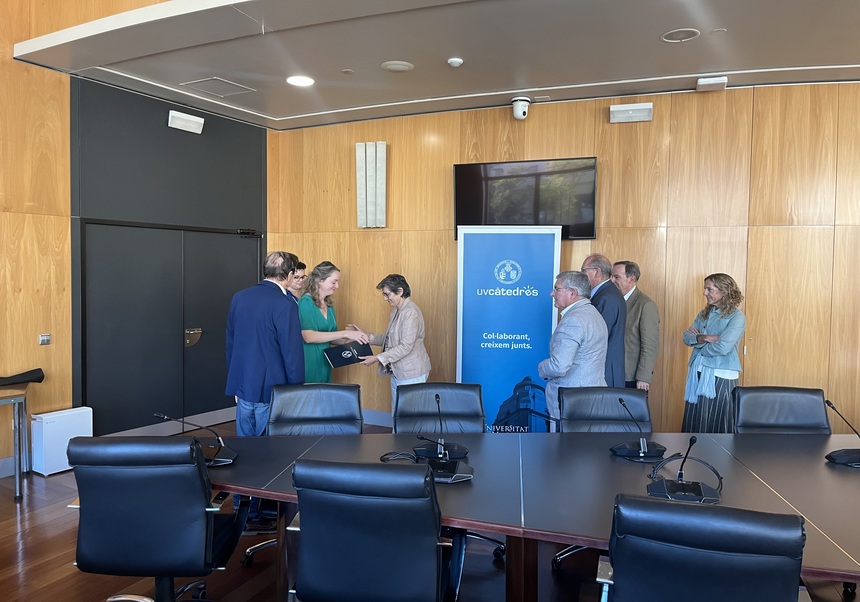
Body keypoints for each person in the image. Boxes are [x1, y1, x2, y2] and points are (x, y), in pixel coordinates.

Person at [225, 251, 305, 529]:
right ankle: (258, 511)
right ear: (290, 274)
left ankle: (242, 508)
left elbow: (231, 342)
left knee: (243, 449)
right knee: (267, 453)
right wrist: (296, 391)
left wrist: (236, 381)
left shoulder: (240, 297)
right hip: (272, 389)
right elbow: (292, 353)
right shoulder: (285, 303)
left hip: (243, 386)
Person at [354, 274, 431, 412]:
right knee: (398, 413)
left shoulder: (410, 313)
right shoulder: (396, 311)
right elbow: (390, 339)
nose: (385, 298)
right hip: (398, 371)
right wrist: (367, 337)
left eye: (387, 294)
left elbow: (405, 346)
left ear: (400, 291)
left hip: (411, 373)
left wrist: (377, 358)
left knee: (407, 416)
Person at [538, 270, 608, 422]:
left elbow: (559, 366)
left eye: (557, 289)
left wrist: (541, 368)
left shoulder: (573, 320)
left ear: (572, 293)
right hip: (594, 395)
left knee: (566, 438)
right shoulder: (594, 314)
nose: (552, 293)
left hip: (572, 401)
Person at [681, 273, 746, 433]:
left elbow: (723, 347)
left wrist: (699, 346)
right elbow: (686, 337)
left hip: (721, 376)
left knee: (717, 423)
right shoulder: (704, 313)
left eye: (709, 289)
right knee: (695, 421)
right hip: (698, 372)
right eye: (705, 289)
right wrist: (704, 337)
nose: (705, 293)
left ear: (724, 291)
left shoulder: (737, 317)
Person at [298, 261, 369, 383]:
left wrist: (352, 339)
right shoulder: (305, 303)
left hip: (325, 362)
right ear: (320, 280)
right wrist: (345, 334)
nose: (337, 286)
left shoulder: (329, 305)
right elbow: (308, 336)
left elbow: (332, 338)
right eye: (334, 282)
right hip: (309, 361)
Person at [611, 260, 660, 391]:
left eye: (616, 277)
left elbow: (649, 345)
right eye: (611, 276)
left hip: (630, 375)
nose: (612, 280)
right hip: (612, 373)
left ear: (631, 279)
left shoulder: (646, 305)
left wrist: (644, 376)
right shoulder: (613, 300)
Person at [581, 253, 626, 387]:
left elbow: (597, 337)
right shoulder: (607, 292)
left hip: (604, 371)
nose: (581, 275)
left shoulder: (605, 297)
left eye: (583, 271)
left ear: (597, 272)